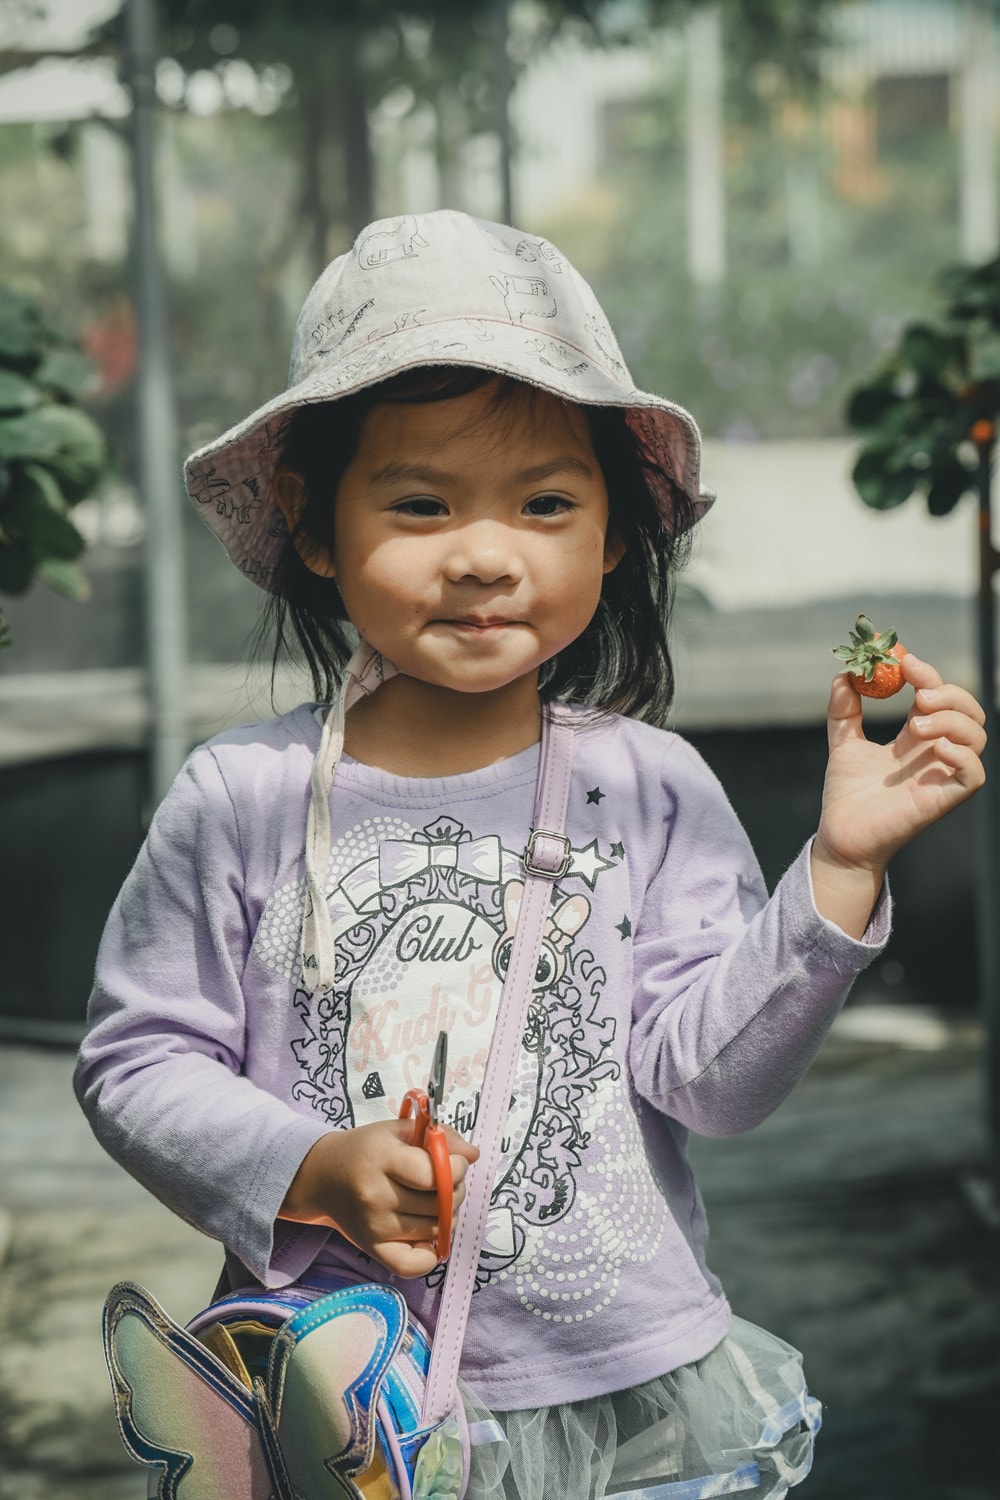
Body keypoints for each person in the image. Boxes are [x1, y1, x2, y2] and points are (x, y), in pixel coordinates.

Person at [75, 210, 986, 1499]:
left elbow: (709, 1083)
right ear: (313, 521)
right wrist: (310, 1170)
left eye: (546, 502)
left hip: (632, 1410)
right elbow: (135, 1058)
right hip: (356, 1419)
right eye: (421, 501)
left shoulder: (648, 787)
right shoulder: (243, 798)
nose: (487, 553)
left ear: (613, 532)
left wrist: (840, 867)